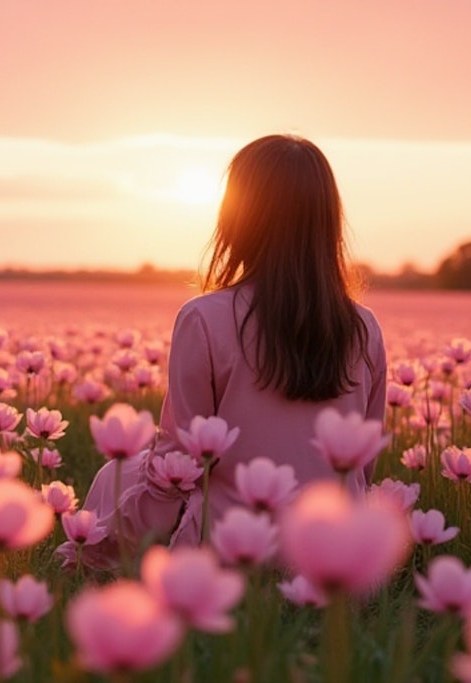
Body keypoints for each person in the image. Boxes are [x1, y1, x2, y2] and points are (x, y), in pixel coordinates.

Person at [61, 134, 387, 570]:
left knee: (115, 476)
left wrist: (102, 545)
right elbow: (362, 470)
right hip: (338, 561)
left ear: (237, 219)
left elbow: (179, 463)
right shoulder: (363, 328)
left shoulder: (204, 318)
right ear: (327, 221)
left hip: (226, 557)